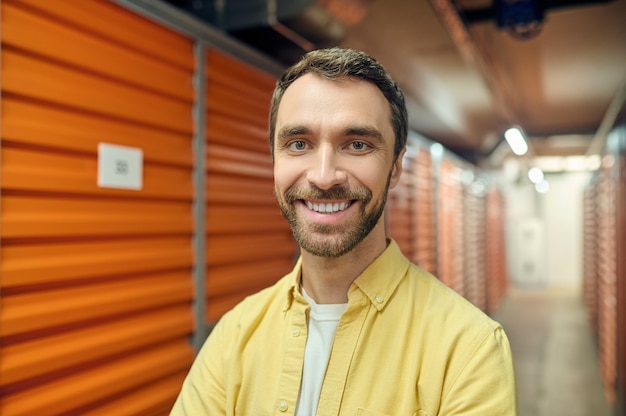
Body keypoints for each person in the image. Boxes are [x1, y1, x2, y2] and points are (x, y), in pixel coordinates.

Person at [170, 47, 517, 415]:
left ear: (396, 168)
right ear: (274, 160)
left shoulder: (468, 349)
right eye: (298, 144)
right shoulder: (234, 335)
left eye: (357, 145)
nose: (323, 176)